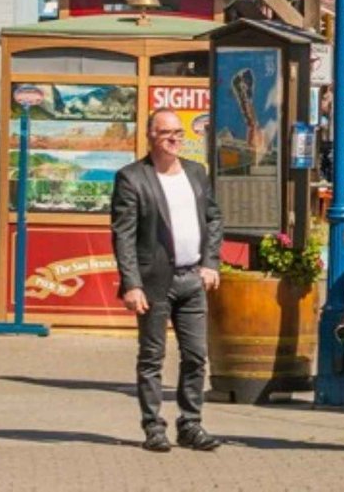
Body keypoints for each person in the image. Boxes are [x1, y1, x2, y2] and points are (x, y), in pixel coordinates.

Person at [110, 109, 224, 453]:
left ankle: (190, 424)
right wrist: (131, 284)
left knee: (196, 356)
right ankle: (153, 426)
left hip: (193, 278)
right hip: (154, 282)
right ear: (151, 136)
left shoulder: (196, 173)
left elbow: (214, 218)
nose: (175, 139)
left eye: (179, 133)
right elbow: (123, 236)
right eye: (166, 133)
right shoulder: (132, 178)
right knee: (152, 357)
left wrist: (211, 262)